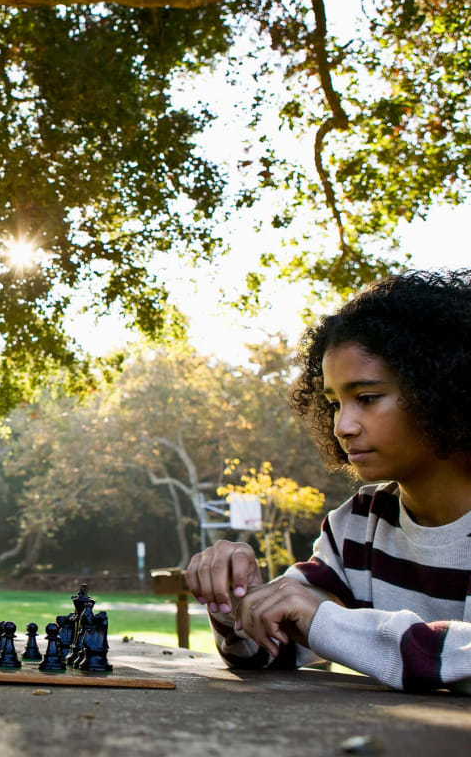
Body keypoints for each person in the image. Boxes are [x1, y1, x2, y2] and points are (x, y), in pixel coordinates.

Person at [186, 269, 471, 694]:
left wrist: (325, 619)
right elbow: (268, 653)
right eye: (334, 403)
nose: (343, 425)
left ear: (443, 389)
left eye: (367, 398)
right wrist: (238, 599)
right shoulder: (357, 524)